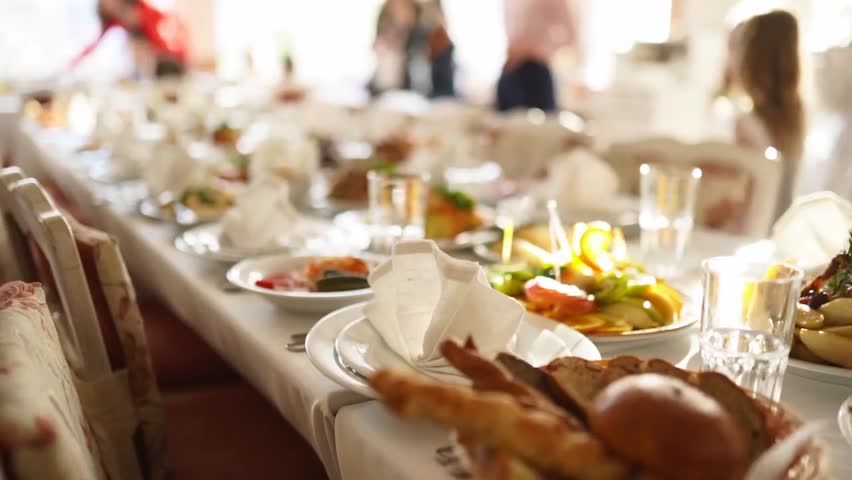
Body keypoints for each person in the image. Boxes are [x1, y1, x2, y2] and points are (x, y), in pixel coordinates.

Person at [725, 10, 804, 218]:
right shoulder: (795, 115)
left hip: (750, 233)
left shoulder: (744, 122)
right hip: (783, 224)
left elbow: (737, 199)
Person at [68, 0, 189, 78]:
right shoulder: (115, 20)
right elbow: (93, 45)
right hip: (145, 64)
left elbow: (166, 39)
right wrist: (71, 65)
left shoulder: (146, 10)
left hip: (167, 62)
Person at [496, 0, 576, 112]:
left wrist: (535, 49)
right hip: (510, 67)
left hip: (537, 70)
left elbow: (570, 36)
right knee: (504, 123)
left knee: (543, 125)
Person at [370, 0, 455, 98]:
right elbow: (380, 87)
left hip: (433, 96)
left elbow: (443, 87)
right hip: (394, 97)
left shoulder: (433, 36)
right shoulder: (388, 38)